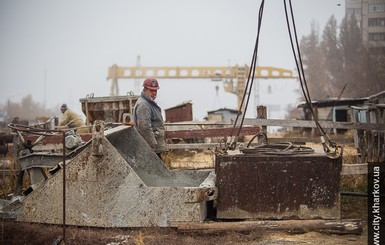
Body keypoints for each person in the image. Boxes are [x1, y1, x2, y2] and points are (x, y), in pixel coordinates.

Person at [133, 78, 167, 159]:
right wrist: (152, 145)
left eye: (156, 91)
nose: (154, 93)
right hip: (151, 148)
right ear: (145, 90)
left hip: (153, 147)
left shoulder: (148, 103)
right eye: (151, 90)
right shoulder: (144, 105)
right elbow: (145, 127)